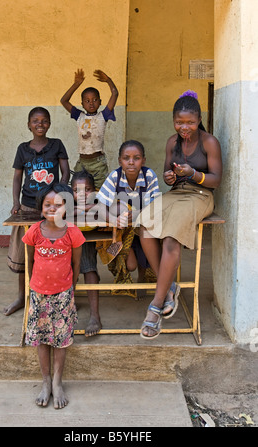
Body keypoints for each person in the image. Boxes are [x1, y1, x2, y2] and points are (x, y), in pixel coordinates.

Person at [137, 90, 222, 339]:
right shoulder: (171, 142)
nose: (185, 127)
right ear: (173, 120)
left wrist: (194, 173)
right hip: (177, 194)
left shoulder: (209, 142)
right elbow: (166, 174)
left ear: (199, 120)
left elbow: (216, 180)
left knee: (171, 238)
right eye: (179, 122)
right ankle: (169, 285)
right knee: (145, 226)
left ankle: (155, 306)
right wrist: (169, 176)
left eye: (190, 122)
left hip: (200, 196)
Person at [22, 183, 85, 409]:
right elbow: (29, 260)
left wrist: (71, 286)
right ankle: (46, 381)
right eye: (47, 204)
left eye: (58, 205)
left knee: (60, 339)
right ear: (40, 209)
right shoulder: (35, 232)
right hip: (39, 294)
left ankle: (58, 382)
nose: (52, 208)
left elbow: (76, 263)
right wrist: (32, 286)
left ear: (66, 208)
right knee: (41, 339)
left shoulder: (73, 233)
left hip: (63, 294)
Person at [4, 107, 70, 316]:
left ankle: (54, 294)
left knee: (53, 252)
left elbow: (66, 172)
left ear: (49, 123)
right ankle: (22, 297)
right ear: (29, 125)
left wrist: (58, 196)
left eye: (44, 121)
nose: (40, 124)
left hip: (50, 209)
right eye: (35, 121)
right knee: (25, 253)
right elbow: (17, 177)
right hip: (28, 206)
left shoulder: (56, 145)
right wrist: (16, 202)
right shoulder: (23, 149)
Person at [97, 140, 168, 297]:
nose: (131, 162)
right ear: (119, 160)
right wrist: (112, 220)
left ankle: (148, 281)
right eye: (126, 158)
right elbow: (101, 206)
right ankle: (132, 275)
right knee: (131, 265)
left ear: (143, 160)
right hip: (124, 229)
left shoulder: (149, 175)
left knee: (146, 240)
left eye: (136, 158)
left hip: (144, 226)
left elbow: (154, 208)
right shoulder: (115, 176)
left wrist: (136, 215)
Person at [60, 68, 118, 189]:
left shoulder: (103, 116)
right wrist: (76, 84)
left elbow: (115, 93)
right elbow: (64, 100)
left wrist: (108, 80)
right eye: (87, 101)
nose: (91, 103)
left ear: (100, 102)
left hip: (98, 164)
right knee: (78, 192)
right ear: (82, 104)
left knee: (101, 193)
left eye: (95, 100)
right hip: (82, 163)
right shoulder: (79, 116)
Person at [71, 169, 102, 337]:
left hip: (86, 240)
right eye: (76, 191)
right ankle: (68, 306)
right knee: (68, 273)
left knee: (90, 270)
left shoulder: (99, 201)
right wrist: (84, 210)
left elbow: (105, 208)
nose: (82, 195)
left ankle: (94, 315)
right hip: (68, 242)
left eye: (87, 190)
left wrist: (92, 207)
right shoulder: (65, 203)